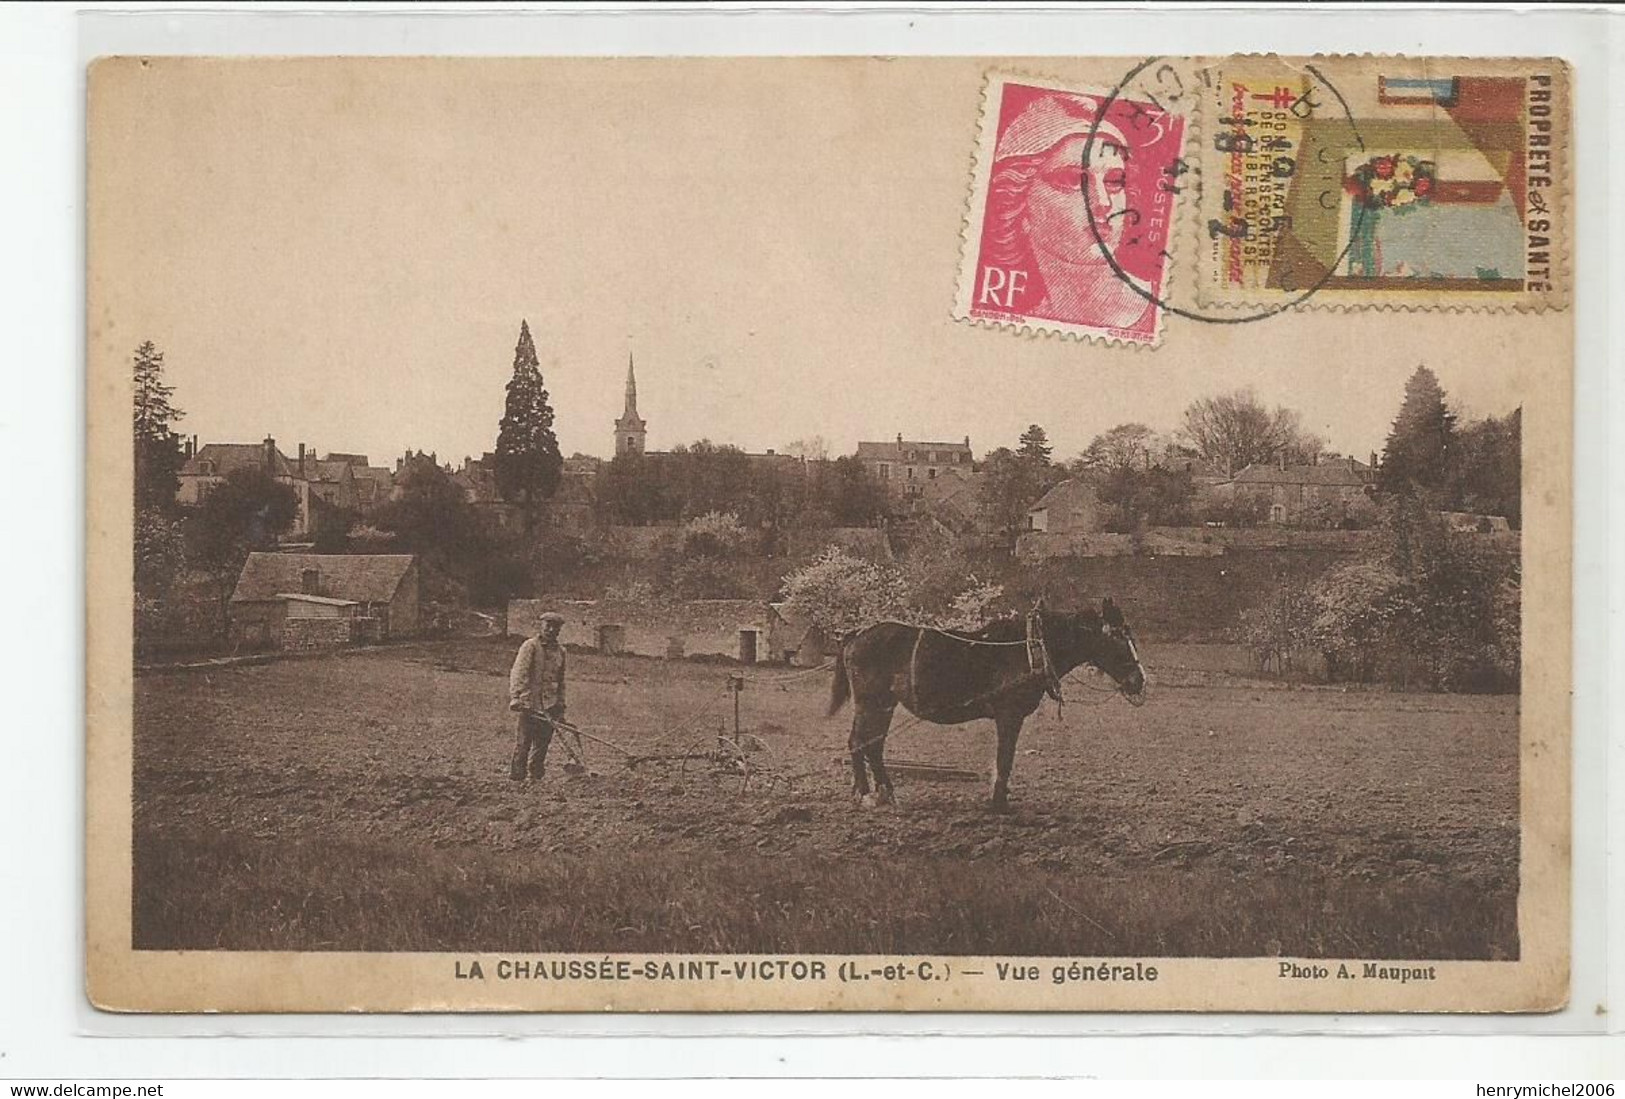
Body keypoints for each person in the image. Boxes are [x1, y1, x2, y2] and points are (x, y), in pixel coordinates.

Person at [508, 611, 567, 782]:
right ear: (541, 626)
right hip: (530, 704)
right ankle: (517, 778)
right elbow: (519, 672)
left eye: (555, 627)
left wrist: (561, 706)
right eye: (547, 625)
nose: (551, 629)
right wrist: (517, 697)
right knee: (524, 742)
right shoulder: (530, 646)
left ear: (559, 630)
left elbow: (561, 681)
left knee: (542, 744)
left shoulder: (561, 652)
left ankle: (536, 778)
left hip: (550, 705)